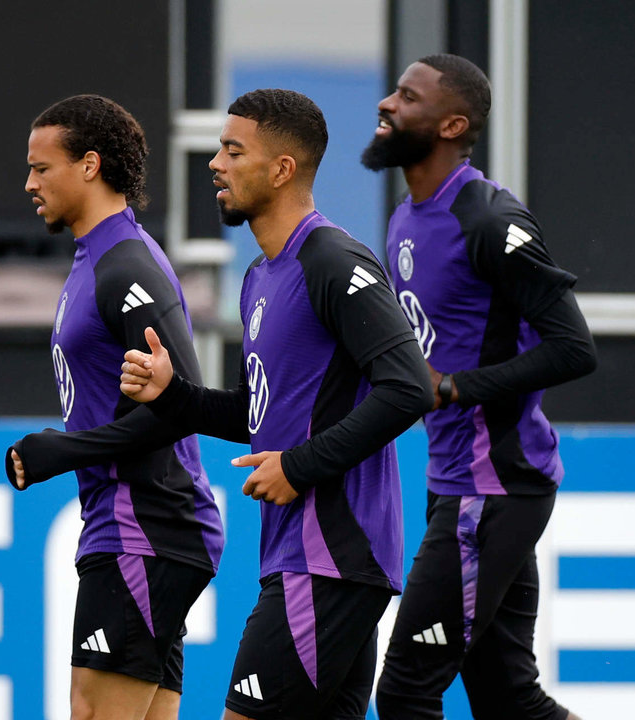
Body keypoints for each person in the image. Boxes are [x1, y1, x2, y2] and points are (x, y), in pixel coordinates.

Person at [119, 88, 432, 720]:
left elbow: (410, 386)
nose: (216, 163)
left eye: (234, 151)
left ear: (282, 169)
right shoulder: (261, 276)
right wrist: (173, 395)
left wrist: (299, 467)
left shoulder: (334, 259)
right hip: (302, 557)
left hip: (333, 557)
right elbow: (255, 414)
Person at [362, 54, 596, 720]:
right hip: (460, 484)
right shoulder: (407, 217)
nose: (386, 104)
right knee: (508, 699)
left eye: (407, 97)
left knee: (406, 690)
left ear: (450, 123)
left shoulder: (490, 219)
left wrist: (457, 387)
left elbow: (574, 349)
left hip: (493, 486)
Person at [7, 94, 224, 720]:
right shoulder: (96, 258)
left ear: (90, 166)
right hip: (141, 529)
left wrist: (60, 450)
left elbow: (178, 405)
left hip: (145, 529)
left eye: (41, 168)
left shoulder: (127, 263)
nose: (28, 183)